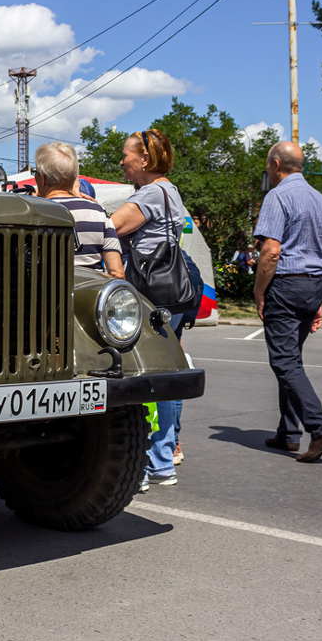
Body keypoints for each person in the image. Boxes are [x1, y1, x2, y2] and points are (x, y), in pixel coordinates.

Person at [110, 128, 187, 488]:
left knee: (144, 377)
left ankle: (143, 463)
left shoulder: (152, 193)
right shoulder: (169, 190)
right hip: (173, 295)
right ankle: (162, 460)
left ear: (144, 159)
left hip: (153, 297)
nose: (122, 161)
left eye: (126, 155)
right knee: (167, 376)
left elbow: (112, 228)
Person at [255, 141, 322, 463]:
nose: (267, 171)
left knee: (285, 362)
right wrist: (317, 298)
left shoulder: (277, 196)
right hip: (312, 287)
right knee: (293, 360)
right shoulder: (321, 200)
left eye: (268, 166)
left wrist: (259, 290)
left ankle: (320, 428)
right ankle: (288, 434)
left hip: (286, 286)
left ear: (276, 164)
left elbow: (271, 251)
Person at [33, 142, 124, 279]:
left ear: (43, 178)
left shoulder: (33, 213)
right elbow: (117, 273)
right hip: (90, 295)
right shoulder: (99, 213)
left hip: (44, 296)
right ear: (74, 178)